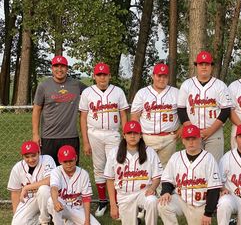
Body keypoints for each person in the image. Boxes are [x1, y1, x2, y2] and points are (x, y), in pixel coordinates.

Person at [79, 62, 129, 216]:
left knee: (116, 167)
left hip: (113, 133)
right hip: (94, 134)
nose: (102, 77)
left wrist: (126, 135)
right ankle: (102, 201)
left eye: (105, 74)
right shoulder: (88, 92)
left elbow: (123, 114)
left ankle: (117, 201)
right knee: (99, 167)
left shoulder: (118, 91)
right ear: (94, 76)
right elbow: (83, 117)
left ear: (109, 76)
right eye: (99, 74)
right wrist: (86, 141)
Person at [158, 124, 222, 225]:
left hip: (200, 204)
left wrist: (208, 213)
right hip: (181, 201)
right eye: (188, 139)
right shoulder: (176, 157)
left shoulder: (208, 158)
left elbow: (214, 188)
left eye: (194, 138)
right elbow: (167, 179)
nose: (191, 142)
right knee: (163, 205)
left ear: (200, 139)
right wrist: (166, 192)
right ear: (183, 141)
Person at [104, 120, 162, 225]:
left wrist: (152, 188)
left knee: (152, 201)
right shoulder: (114, 153)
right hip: (124, 195)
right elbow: (109, 180)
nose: (132, 136)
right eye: (129, 133)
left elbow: (157, 177)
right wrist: (113, 205)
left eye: (135, 133)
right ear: (124, 135)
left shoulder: (150, 152)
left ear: (140, 135)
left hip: (142, 192)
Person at [177, 51, 232, 161]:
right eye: (201, 64)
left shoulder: (220, 85)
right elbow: (181, 109)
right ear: (196, 66)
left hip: (214, 132)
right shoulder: (187, 85)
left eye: (207, 64)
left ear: (211, 66)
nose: (204, 67)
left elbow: (226, 110)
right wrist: (191, 129)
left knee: (214, 165)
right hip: (192, 134)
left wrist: (211, 130)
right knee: (195, 166)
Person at [32, 55, 87, 165]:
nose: (59, 69)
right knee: (49, 171)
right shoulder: (44, 86)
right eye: (56, 66)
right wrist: (35, 134)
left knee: (70, 171)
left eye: (62, 66)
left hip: (70, 136)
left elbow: (94, 93)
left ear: (67, 69)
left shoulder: (76, 85)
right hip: (49, 137)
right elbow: (36, 110)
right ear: (52, 68)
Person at [131, 63, 180, 167]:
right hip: (148, 138)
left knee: (166, 170)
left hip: (169, 138)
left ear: (168, 77)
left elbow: (185, 112)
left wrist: (183, 127)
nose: (162, 79)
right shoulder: (142, 93)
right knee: (146, 168)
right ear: (153, 76)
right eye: (159, 76)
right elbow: (135, 116)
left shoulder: (176, 93)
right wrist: (137, 136)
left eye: (165, 76)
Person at [48, 145, 100, 225]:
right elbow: (54, 188)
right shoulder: (56, 171)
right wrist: (55, 202)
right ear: (60, 161)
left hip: (78, 209)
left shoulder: (83, 174)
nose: (68, 164)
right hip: (62, 207)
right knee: (51, 201)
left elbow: (86, 198)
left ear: (76, 158)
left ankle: (69, 221)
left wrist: (87, 221)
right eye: (65, 161)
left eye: (71, 160)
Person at [8, 141, 56, 225]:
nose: (31, 160)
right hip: (29, 200)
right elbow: (15, 193)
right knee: (17, 223)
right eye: (27, 157)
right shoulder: (17, 168)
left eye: (33, 155)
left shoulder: (47, 159)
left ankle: (45, 222)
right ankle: (37, 219)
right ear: (22, 156)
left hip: (49, 197)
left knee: (43, 189)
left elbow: (49, 180)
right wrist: (17, 214)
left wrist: (26, 188)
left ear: (39, 153)